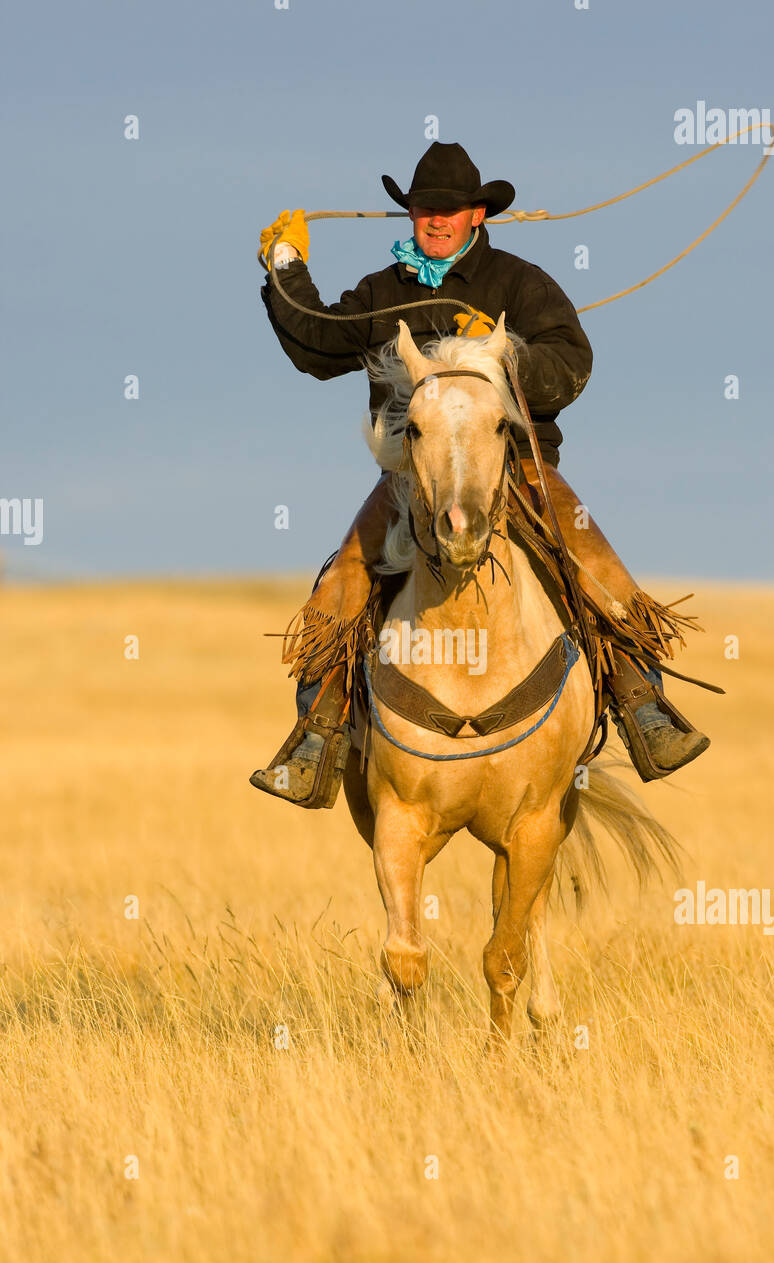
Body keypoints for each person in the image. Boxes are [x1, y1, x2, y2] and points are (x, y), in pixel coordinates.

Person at [250, 142, 709, 808]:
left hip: (514, 466)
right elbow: (316, 345)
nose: (434, 222)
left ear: (476, 214)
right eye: (423, 210)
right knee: (340, 584)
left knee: (592, 561)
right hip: (414, 478)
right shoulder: (385, 292)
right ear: (410, 214)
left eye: (448, 210)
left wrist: (501, 361)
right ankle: (316, 735)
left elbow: (571, 363)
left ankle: (644, 705)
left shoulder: (519, 283)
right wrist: (286, 267)